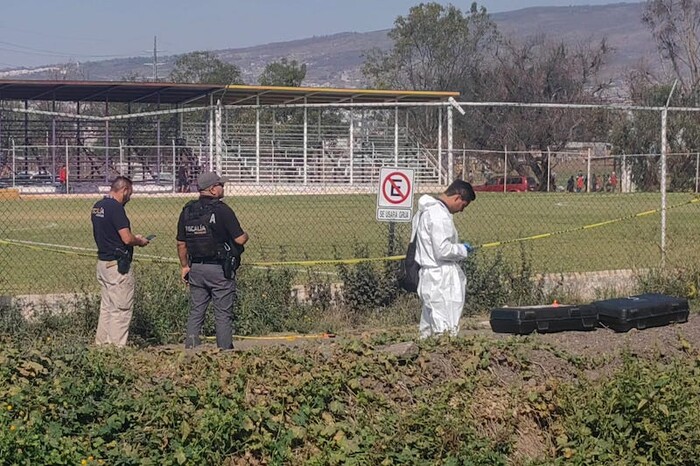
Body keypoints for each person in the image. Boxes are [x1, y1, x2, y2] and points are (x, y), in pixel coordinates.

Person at [177, 171, 248, 350]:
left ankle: (190, 353)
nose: (223, 188)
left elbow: (181, 243)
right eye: (220, 185)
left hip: (197, 268)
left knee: (195, 313)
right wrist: (246, 235)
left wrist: (185, 266)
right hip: (219, 270)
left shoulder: (187, 210)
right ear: (212, 190)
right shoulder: (222, 210)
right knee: (223, 315)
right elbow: (239, 239)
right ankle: (225, 356)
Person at [412, 179, 476, 338]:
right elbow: (442, 250)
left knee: (429, 324)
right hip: (441, 277)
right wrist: (462, 249)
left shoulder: (425, 211)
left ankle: (427, 354)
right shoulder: (439, 215)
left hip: (430, 274)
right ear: (457, 198)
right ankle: (444, 356)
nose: (461, 211)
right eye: (463, 205)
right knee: (445, 323)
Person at [91, 176, 150, 347]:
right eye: (129, 194)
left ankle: (102, 346)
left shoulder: (98, 206)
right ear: (124, 190)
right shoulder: (116, 209)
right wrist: (139, 240)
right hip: (117, 265)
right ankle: (116, 350)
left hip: (103, 262)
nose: (129, 198)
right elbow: (126, 238)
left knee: (107, 308)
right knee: (121, 310)